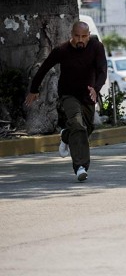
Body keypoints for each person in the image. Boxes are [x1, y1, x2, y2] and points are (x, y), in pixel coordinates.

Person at [25, 21, 108, 182]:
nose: (80, 40)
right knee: (78, 124)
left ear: (88, 35)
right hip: (68, 95)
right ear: (72, 35)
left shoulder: (96, 47)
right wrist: (34, 89)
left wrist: (96, 89)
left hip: (88, 95)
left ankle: (66, 135)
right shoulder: (61, 50)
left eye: (84, 36)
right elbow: (44, 68)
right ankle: (80, 167)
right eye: (77, 36)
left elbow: (102, 71)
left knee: (87, 127)